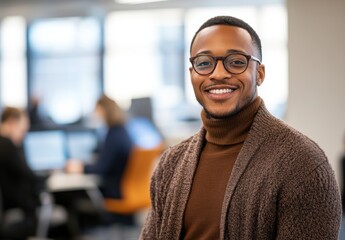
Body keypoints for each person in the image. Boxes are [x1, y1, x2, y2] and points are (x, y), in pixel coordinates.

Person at [140, 16, 342, 240]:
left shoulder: (303, 164)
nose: (218, 74)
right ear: (192, 75)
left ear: (260, 74)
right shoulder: (171, 164)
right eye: (204, 63)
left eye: (236, 62)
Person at [65, 94, 134, 224]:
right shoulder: (122, 131)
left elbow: (101, 168)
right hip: (124, 189)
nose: (95, 115)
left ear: (103, 110)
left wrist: (80, 167)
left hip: (115, 192)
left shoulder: (113, 135)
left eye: (96, 111)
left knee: (70, 197)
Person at [0, 107, 40, 239]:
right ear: (11, 122)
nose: (24, 136)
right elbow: (28, 175)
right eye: (22, 131)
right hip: (15, 208)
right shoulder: (7, 146)